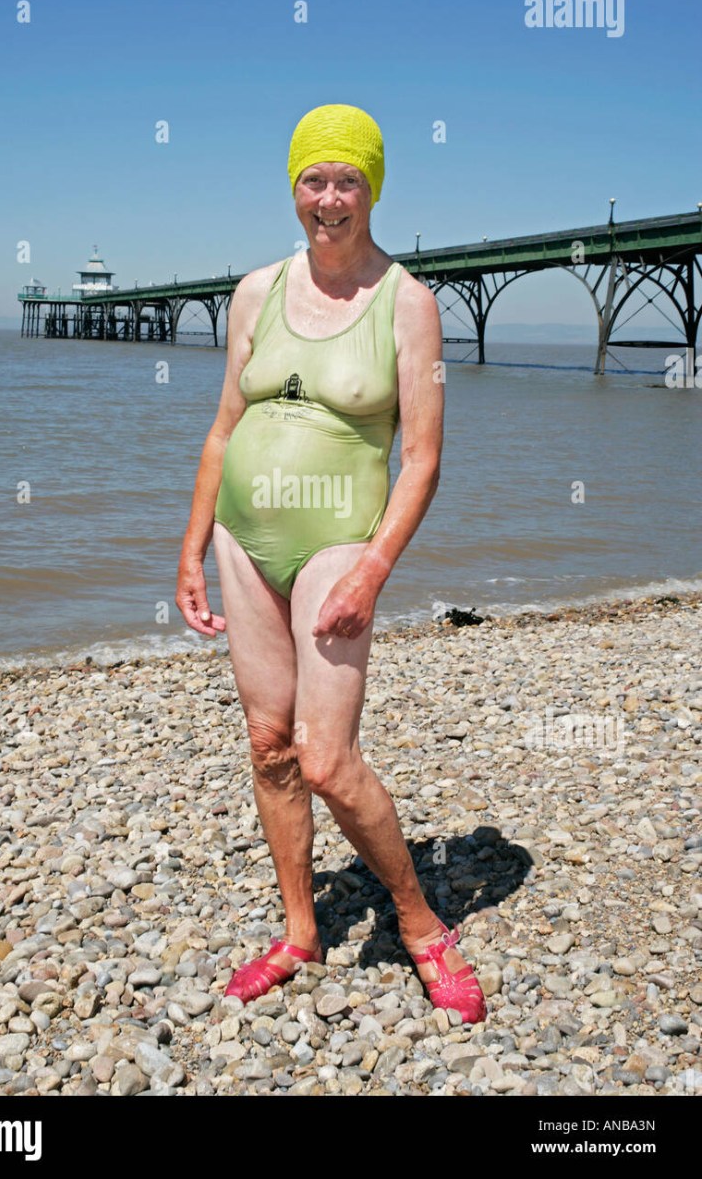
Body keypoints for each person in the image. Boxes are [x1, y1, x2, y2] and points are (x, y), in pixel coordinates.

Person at [175, 103, 486, 1023]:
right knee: (268, 744)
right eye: (313, 179)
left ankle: (421, 922)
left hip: (338, 544)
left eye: (348, 180)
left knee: (325, 758)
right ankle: (300, 930)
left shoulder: (408, 302)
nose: (329, 198)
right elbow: (223, 428)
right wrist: (190, 547)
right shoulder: (256, 291)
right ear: (294, 188)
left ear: (372, 190)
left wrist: (372, 568)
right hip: (242, 539)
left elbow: (422, 459)